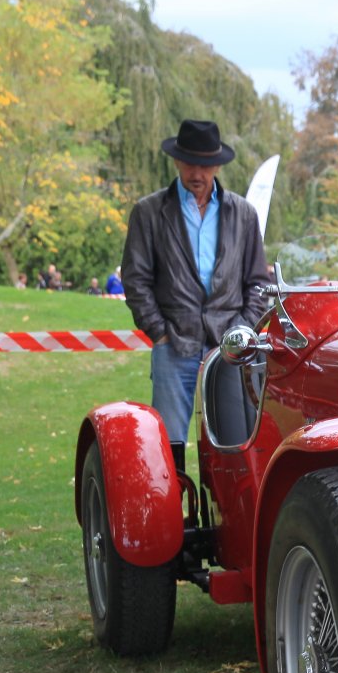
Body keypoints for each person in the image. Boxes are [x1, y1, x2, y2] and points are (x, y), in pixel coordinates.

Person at [122, 119, 270, 468]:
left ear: (218, 166)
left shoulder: (243, 214)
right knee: (168, 446)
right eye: (190, 163)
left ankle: (226, 504)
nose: (197, 173)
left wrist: (241, 331)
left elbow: (258, 282)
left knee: (233, 442)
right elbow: (136, 279)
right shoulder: (149, 212)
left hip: (229, 348)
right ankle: (172, 503)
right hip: (173, 344)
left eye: (205, 165)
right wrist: (159, 331)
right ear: (176, 161)